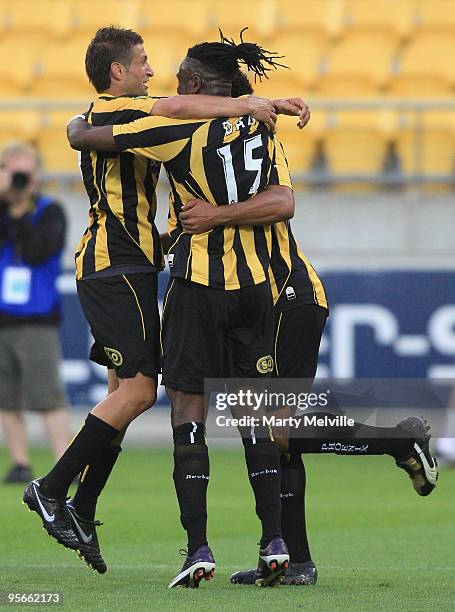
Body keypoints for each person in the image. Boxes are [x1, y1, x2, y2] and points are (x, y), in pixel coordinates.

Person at [24, 27, 307, 583]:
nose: (152, 71)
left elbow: (157, 113)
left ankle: (82, 507)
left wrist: (77, 127)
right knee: (140, 390)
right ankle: (52, 490)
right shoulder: (122, 112)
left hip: (135, 265)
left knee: (123, 392)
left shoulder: (131, 116)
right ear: (118, 73)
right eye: (143, 62)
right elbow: (149, 115)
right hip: (115, 265)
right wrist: (253, 101)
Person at [179, 71, 439, 587]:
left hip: (288, 297)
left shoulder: (249, 141)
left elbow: (282, 202)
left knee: (277, 430)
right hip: (258, 303)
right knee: (276, 432)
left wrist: (215, 216)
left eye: (189, 86)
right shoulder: (207, 141)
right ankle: (293, 560)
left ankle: (397, 442)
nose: (180, 96)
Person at [0, 142, 70, 483]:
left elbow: (40, 251)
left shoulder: (49, 210)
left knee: (48, 395)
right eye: (13, 173)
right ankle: (19, 461)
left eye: (25, 173)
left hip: (37, 319)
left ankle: (65, 463)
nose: (19, 180)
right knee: (6, 397)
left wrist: (22, 209)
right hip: (1, 319)